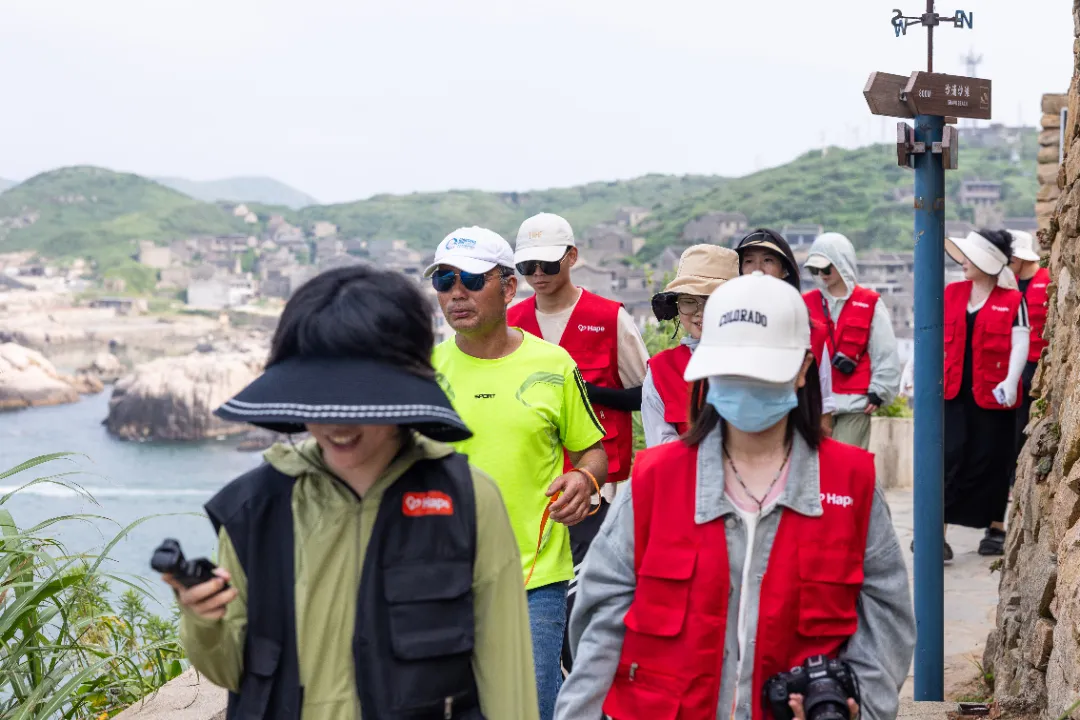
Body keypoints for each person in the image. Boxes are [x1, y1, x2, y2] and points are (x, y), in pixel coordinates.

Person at [163, 264, 539, 719]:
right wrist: (203, 618)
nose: (337, 425)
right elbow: (228, 670)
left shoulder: (469, 499)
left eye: (359, 402)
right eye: (318, 401)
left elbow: (508, 681)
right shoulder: (253, 508)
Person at [555, 272, 915, 720]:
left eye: (762, 371)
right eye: (731, 368)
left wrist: (861, 708)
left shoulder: (850, 482)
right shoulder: (655, 481)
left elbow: (888, 625)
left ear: (803, 369)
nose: (745, 382)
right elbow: (599, 622)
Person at [427, 226, 608, 720]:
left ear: (509, 288)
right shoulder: (423, 373)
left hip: (533, 583)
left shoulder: (554, 364)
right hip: (439, 583)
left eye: (470, 278)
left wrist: (586, 481)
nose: (456, 292)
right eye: (444, 280)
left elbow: (593, 452)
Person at [506, 213, 648, 671]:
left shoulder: (609, 318)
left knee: (587, 604)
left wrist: (584, 393)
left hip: (600, 488)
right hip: (532, 491)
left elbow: (647, 393)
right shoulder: (511, 322)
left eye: (548, 265)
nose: (539, 277)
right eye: (528, 268)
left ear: (572, 257)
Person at [940, 230, 1029, 558]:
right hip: (953, 395)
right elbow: (932, 335)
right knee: (947, 460)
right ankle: (938, 532)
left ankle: (995, 528)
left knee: (993, 461)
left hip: (993, 400)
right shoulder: (951, 293)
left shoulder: (1012, 300)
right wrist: (913, 371)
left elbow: (1021, 340)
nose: (962, 262)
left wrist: (1010, 378)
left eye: (969, 257)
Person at [803, 232, 902, 450]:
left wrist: (879, 391)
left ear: (842, 262)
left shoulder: (870, 302)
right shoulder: (805, 303)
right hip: (813, 403)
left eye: (826, 268)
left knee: (846, 469)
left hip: (854, 404)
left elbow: (885, 350)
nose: (821, 274)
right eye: (815, 269)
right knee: (816, 473)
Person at [735, 228, 838, 436]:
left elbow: (825, 403)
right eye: (748, 261)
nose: (757, 269)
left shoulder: (812, 334)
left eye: (768, 260)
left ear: (785, 271)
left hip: (798, 441)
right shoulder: (726, 330)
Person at [641, 243, 739, 447]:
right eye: (688, 300)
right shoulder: (661, 369)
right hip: (683, 478)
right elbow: (659, 446)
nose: (699, 311)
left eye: (711, 300)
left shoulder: (759, 360)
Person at [1007, 229, 1049, 486]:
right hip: (1011, 362)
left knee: (1023, 420)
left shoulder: (1047, 280)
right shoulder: (1007, 283)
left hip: (1036, 363)